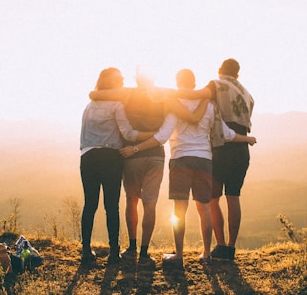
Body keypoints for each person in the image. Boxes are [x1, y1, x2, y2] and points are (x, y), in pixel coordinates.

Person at [119, 69, 256, 266]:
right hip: (204, 160)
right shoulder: (209, 105)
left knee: (179, 210)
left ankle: (179, 256)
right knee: (205, 208)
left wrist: (136, 148)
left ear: (177, 82)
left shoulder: (174, 104)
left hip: (180, 159)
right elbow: (226, 133)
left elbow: (163, 136)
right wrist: (247, 139)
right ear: (194, 84)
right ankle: (207, 254)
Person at [89, 71, 207, 267]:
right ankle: (144, 253)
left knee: (131, 200)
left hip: (131, 155)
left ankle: (132, 248)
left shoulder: (127, 93)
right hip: (155, 155)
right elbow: (191, 108)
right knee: (150, 204)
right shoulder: (165, 95)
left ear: (136, 78)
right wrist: (206, 94)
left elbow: (95, 95)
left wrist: (94, 94)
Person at [174, 58, 255, 261]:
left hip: (221, 146)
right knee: (234, 196)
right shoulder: (247, 94)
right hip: (241, 147)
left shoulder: (216, 84)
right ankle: (230, 247)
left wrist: (168, 95)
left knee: (213, 198)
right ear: (238, 75)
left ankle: (218, 246)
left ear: (220, 70)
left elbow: (196, 95)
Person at [80, 67, 154, 265]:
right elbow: (128, 134)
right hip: (111, 158)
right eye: (119, 79)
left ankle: (86, 251)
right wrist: (152, 135)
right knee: (111, 206)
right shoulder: (117, 105)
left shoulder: (90, 105)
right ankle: (114, 253)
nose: (122, 81)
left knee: (90, 205)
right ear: (110, 82)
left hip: (88, 157)